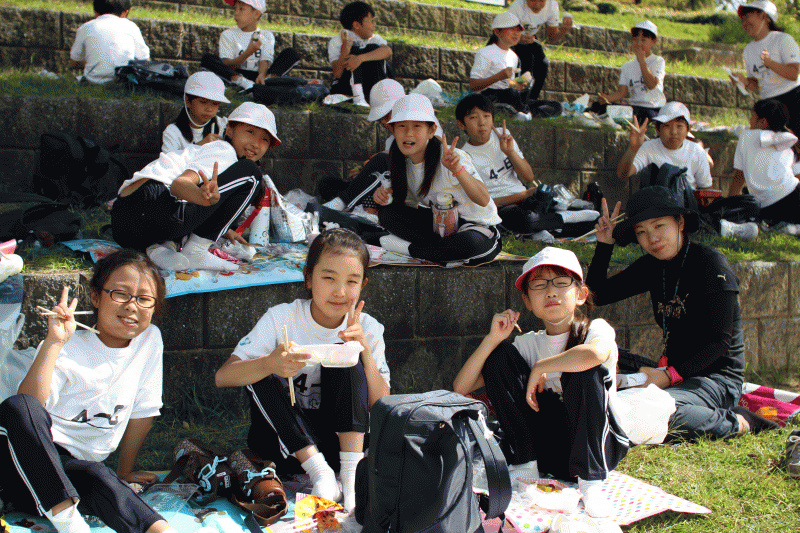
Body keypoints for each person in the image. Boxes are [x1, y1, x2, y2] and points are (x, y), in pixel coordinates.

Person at [215, 228, 390, 512]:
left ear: (363, 284)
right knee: (260, 369)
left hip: (344, 448)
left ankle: (351, 481)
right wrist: (270, 363)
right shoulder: (281, 318)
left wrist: (364, 351)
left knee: (347, 355)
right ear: (308, 277)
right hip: (287, 447)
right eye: (329, 278)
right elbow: (223, 376)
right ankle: (321, 475)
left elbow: (381, 404)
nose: (340, 291)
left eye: (352, 281)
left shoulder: (367, 327)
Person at [587, 187, 779, 442]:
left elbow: (720, 342)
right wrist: (604, 245)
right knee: (595, 362)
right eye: (641, 232)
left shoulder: (711, 264)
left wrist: (669, 376)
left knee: (653, 411)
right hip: (670, 374)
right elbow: (596, 295)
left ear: (680, 222)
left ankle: (741, 421)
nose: (652, 238)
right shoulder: (652, 266)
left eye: (659, 226)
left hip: (715, 379)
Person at [0, 250, 172, 533]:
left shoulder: (149, 339)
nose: (132, 306)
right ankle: (70, 525)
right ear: (95, 297)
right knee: (18, 405)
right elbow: (29, 405)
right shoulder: (69, 345)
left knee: (98, 476)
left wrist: (125, 471)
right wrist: (54, 343)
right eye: (120, 294)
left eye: (144, 299)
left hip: (74, 470)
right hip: (20, 463)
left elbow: (145, 408)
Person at [453, 247, 628, 518]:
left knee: (585, 369)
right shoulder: (529, 343)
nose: (551, 292)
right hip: (550, 452)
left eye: (561, 282)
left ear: (581, 294)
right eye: (539, 285)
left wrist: (542, 366)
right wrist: (492, 339)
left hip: (599, 445)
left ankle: (591, 483)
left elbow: (596, 354)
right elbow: (462, 387)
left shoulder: (596, 330)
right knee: (499, 356)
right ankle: (525, 464)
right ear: (527, 301)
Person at [112, 102, 278, 272]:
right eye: (250, 132)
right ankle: (196, 251)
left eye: (264, 140)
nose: (256, 144)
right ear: (229, 130)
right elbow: (179, 184)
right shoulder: (224, 150)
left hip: (123, 225)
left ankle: (157, 249)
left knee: (201, 200)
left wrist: (222, 227)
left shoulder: (204, 150)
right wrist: (202, 197)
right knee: (252, 174)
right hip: (154, 202)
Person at [372, 94, 503, 266]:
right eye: (402, 126)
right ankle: (436, 251)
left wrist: (457, 170)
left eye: (417, 126)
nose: (408, 133)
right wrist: (384, 195)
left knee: (469, 244)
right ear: (393, 130)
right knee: (387, 213)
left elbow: (483, 199)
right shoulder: (401, 162)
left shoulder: (451, 156)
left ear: (431, 130)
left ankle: (407, 249)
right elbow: (408, 207)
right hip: (439, 227)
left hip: (474, 228)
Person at [456, 93, 554, 237]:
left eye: (486, 116)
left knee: (545, 194)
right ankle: (555, 222)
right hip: (503, 207)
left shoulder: (503, 136)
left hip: (527, 199)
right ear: (461, 124)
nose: (482, 122)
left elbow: (528, 177)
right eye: (473, 117)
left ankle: (539, 227)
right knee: (525, 218)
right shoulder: (465, 156)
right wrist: (524, 194)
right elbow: (484, 203)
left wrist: (510, 152)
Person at [200, 0, 300, 92]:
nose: (236, 13)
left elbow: (265, 60)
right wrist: (249, 52)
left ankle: (267, 82)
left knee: (291, 53)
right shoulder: (227, 34)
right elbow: (227, 65)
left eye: (241, 9)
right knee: (207, 59)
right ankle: (244, 84)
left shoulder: (266, 35)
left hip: (258, 76)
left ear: (256, 14)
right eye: (235, 9)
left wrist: (262, 75)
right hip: (236, 74)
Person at [733, 0, 800, 136]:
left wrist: (770, 63)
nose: (744, 23)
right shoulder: (748, 50)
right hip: (768, 103)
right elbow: (757, 85)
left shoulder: (783, 39)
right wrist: (744, 82)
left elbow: (794, 74)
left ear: (764, 16)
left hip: (792, 98)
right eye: (742, 20)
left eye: (747, 17)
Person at [616, 101, 713, 193]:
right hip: (654, 202)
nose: (673, 132)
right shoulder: (648, 148)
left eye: (679, 126)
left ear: (688, 129)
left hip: (686, 203)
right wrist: (633, 148)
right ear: (657, 129)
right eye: (667, 126)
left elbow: (706, 189)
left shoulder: (697, 151)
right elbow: (622, 174)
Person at [731, 99, 800, 225]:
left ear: (763, 122)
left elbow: (739, 178)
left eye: (752, 116)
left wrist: (729, 207)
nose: (750, 120)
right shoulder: (787, 139)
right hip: (793, 197)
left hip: (766, 206)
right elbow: (798, 175)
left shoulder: (746, 137)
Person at [598, 21, 666, 126]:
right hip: (633, 107)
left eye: (643, 40)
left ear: (653, 41)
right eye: (635, 39)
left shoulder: (658, 61)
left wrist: (642, 62)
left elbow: (651, 84)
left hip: (652, 108)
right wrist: (606, 99)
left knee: (643, 115)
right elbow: (622, 92)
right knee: (599, 106)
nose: (638, 43)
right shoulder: (627, 66)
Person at [328, 1, 393, 106]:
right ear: (356, 25)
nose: (374, 25)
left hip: (371, 84)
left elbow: (388, 51)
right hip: (348, 87)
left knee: (374, 49)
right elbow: (337, 74)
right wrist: (346, 48)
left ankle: (379, 97)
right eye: (371, 21)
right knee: (354, 50)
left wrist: (360, 58)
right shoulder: (337, 41)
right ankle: (358, 97)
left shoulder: (374, 39)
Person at [69, 0, 150, 84]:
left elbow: (74, 62)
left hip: (93, 82)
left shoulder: (85, 27)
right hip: (124, 83)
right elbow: (144, 60)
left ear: (95, 12)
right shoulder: (131, 26)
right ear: (125, 12)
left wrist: (93, 64)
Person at [508, 0, 573, 101]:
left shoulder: (552, 5)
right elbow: (504, 33)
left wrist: (564, 30)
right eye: (533, 0)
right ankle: (518, 100)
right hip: (510, 40)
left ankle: (532, 100)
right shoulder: (517, 6)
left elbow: (552, 38)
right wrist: (518, 38)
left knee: (543, 64)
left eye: (542, 1)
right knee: (527, 59)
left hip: (530, 38)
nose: (537, 4)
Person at [470, 12, 531, 117]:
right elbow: (473, 85)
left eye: (518, 30)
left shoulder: (514, 56)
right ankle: (522, 112)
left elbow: (507, 84)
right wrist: (499, 76)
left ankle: (521, 112)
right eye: (512, 29)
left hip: (508, 96)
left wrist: (518, 85)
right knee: (511, 94)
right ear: (497, 31)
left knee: (554, 105)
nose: (516, 33)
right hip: (488, 96)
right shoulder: (485, 53)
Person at [161, 71, 230, 154]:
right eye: (203, 102)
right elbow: (168, 160)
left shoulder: (223, 125)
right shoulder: (173, 132)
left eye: (215, 104)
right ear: (188, 101)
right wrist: (198, 146)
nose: (209, 109)